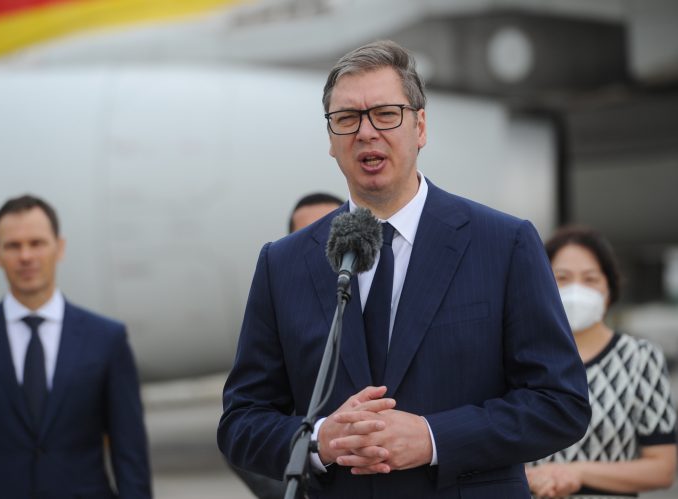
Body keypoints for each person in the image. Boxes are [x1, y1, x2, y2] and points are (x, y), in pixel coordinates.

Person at [218, 39, 590, 498]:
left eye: (386, 114)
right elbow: (242, 422)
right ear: (331, 140)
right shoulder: (283, 263)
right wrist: (320, 440)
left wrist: (433, 438)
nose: (366, 132)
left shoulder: (503, 243)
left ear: (421, 127)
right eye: (347, 118)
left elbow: (560, 404)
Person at [0, 194, 152, 499]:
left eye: (37, 243)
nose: (26, 256)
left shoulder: (107, 339)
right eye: (13, 246)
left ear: (59, 247)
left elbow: (131, 453)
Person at [526, 225, 676, 498]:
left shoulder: (640, 359)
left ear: (609, 288)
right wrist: (531, 479)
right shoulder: (517, 357)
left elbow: (662, 468)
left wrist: (576, 473)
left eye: (590, 279)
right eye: (562, 277)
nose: (576, 290)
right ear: (541, 283)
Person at [230, 191, 345, 498]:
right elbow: (245, 421)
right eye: (311, 236)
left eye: (333, 233)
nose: (323, 245)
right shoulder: (279, 312)